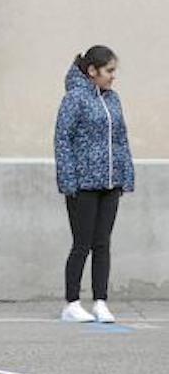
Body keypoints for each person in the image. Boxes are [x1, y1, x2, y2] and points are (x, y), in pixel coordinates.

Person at [55, 45, 134, 324]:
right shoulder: (74, 98)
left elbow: (121, 140)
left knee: (103, 244)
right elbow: (62, 139)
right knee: (82, 243)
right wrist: (68, 181)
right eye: (109, 71)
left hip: (110, 184)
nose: (113, 77)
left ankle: (100, 301)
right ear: (92, 71)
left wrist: (126, 176)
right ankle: (72, 303)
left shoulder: (113, 100)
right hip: (83, 185)